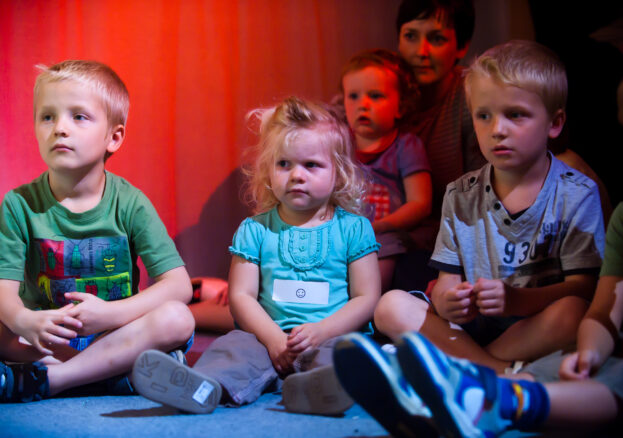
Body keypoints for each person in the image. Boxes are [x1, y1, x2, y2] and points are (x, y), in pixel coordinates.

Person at [131, 96, 381, 415]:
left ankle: (317, 389)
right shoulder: (254, 230)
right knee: (232, 349)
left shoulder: (355, 229)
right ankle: (202, 388)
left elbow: (366, 297)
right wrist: (274, 339)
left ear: (339, 172)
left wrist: (322, 331)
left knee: (346, 355)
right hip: (266, 339)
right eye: (284, 164)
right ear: (268, 170)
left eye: (311, 165)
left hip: (330, 337)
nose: (296, 175)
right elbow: (241, 297)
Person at [374, 40, 605, 375]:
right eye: (484, 116)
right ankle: (495, 372)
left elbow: (585, 287)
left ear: (554, 124)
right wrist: (448, 301)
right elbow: (446, 281)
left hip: (532, 328)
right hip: (471, 331)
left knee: (574, 312)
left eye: (515, 115)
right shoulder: (460, 193)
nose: (497, 130)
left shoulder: (577, 193)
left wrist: (516, 300)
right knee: (390, 306)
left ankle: (451, 368)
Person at [0, 60, 195, 403]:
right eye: (47, 116)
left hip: (116, 333)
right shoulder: (19, 205)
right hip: (48, 340)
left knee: (178, 319)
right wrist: (25, 321)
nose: (59, 128)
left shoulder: (130, 203)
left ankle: (57, 380)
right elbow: (4, 293)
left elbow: (178, 286)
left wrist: (109, 315)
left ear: (114, 137)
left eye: (79, 116)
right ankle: (113, 375)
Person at [392, 0, 486, 290]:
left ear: (461, 47)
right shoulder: (380, 94)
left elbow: (480, 204)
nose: (421, 52)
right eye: (410, 36)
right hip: (382, 239)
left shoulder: (473, 100)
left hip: (448, 247)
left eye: (437, 39)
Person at [341, 49, 432, 292]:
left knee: (383, 249)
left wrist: (380, 226)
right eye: (353, 96)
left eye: (376, 95)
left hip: (384, 234)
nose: (363, 105)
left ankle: (366, 306)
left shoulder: (406, 146)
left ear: (400, 107)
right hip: (343, 234)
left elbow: (420, 203)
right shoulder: (339, 145)